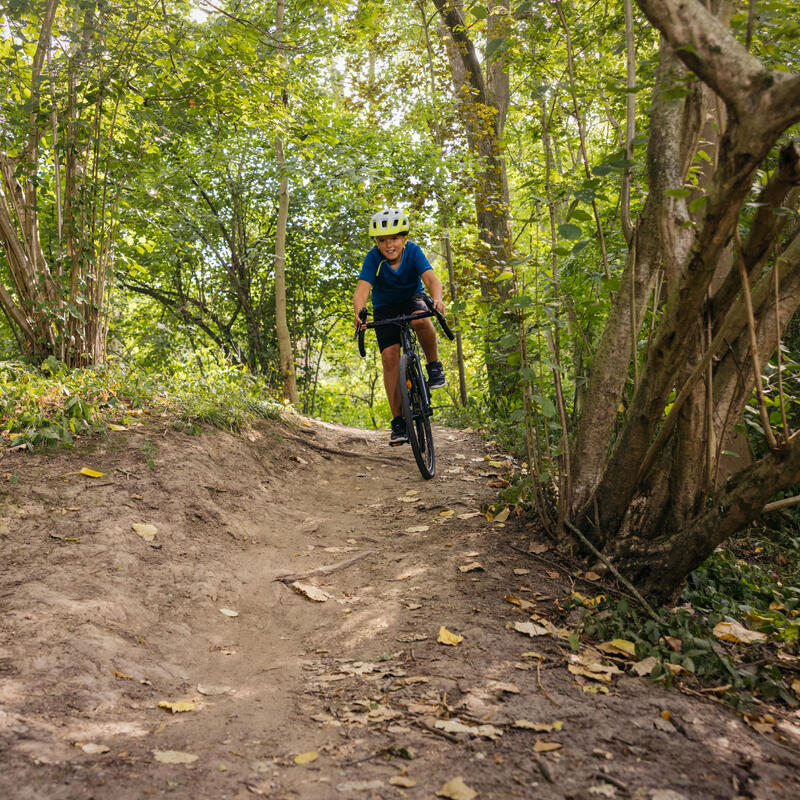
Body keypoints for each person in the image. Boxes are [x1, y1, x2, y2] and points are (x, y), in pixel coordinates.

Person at [353, 208, 446, 446]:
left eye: (394, 238)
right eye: (382, 240)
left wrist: (437, 299)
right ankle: (398, 421)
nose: (388, 245)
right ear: (376, 242)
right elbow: (362, 290)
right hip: (385, 307)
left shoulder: (413, 252)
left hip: (412, 298)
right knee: (389, 356)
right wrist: (360, 314)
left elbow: (431, 280)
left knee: (420, 320)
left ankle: (434, 366)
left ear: (404, 239)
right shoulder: (373, 258)